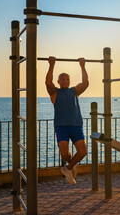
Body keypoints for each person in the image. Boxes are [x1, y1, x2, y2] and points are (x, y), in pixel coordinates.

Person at [45, 56, 88, 185]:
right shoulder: (54, 92)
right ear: (58, 81)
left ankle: (68, 168)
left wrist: (82, 66)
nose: (65, 81)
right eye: (62, 79)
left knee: (83, 152)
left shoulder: (74, 91)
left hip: (76, 125)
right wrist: (52, 65)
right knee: (64, 154)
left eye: (67, 79)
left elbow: (85, 83)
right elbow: (48, 82)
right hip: (61, 126)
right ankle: (70, 165)